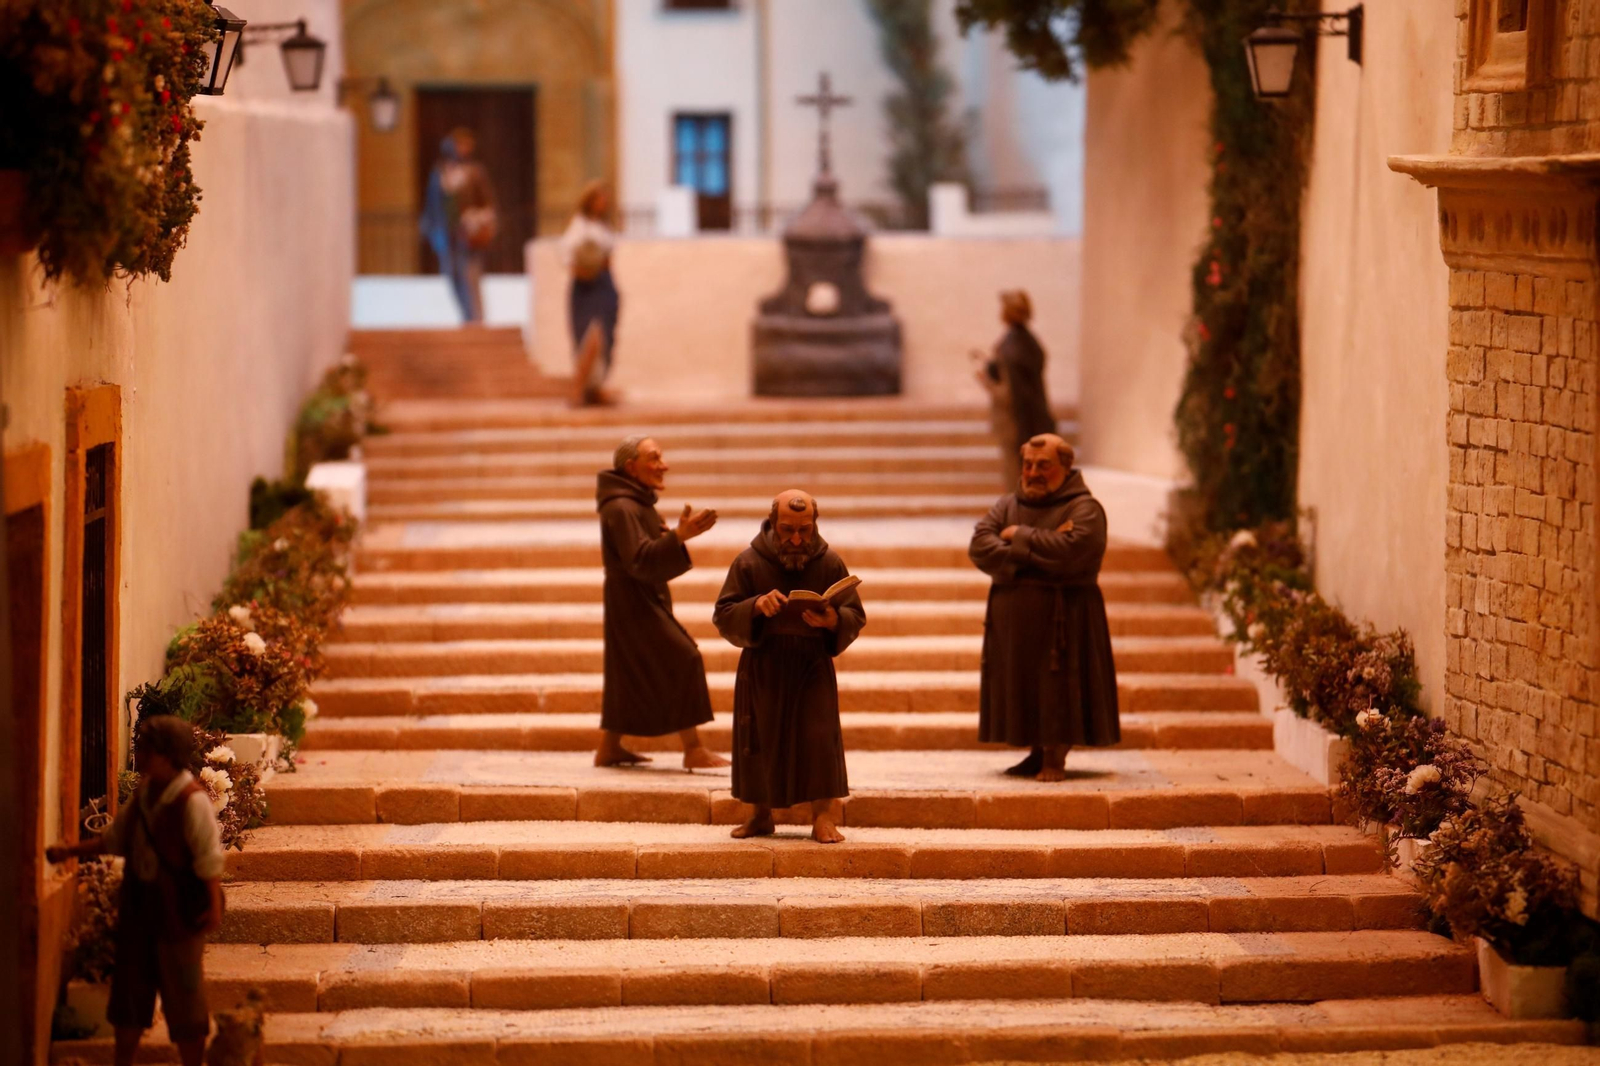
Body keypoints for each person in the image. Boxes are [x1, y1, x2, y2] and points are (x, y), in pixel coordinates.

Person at [46, 715, 225, 1066]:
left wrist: (213, 907)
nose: (138, 754)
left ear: (166, 754)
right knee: (129, 995)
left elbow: (209, 859)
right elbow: (116, 840)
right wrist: (69, 851)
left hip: (178, 915)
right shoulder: (144, 794)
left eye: (145, 748)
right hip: (140, 910)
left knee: (185, 996)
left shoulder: (192, 801)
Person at [713, 490, 865, 844]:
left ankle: (823, 817)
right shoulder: (749, 562)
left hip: (811, 665)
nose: (796, 538)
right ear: (773, 524)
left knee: (818, 737)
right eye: (787, 530)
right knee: (759, 737)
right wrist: (753, 606)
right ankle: (758, 814)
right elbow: (723, 613)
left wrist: (832, 620)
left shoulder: (829, 563)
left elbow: (855, 614)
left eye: (804, 530)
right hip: (763, 664)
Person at [969, 433, 1120, 782]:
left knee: (1058, 686)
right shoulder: (1007, 504)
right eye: (1028, 465)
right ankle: (1035, 751)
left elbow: (1074, 552)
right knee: (1022, 683)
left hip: (1065, 618)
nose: (1033, 472)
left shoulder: (1084, 509)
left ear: (1065, 468)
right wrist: (1040, 548)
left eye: (1044, 465)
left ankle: (1055, 755)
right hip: (1014, 623)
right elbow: (980, 547)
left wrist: (1016, 535)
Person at [595, 435, 728, 770]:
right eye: (654, 458)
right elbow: (638, 558)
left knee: (627, 671)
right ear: (631, 467)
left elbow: (645, 552)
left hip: (637, 594)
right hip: (633, 599)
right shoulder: (623, 507)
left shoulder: (635, 502)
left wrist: (670, 538)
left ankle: (608, 746)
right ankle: (693, 748)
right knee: (684, 657)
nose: (663, 465)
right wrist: (677, 538)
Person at [970, 289, 1057, 489]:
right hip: (1034, 417)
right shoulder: (1030, 342)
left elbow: (1008, 394)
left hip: (1014, 422)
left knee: (1016, 478)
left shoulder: (1011, 348)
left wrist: (986, 381)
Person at [420, 127, 497, 324]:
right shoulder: (439, 174)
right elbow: (432, 202)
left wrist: (478, 217)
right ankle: (465, 315)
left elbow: (487, 203)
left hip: (468, 234)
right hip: (445, 234)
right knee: (452, 275)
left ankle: (476, 319)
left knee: (470, 275)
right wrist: (429, 227)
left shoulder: (475, 172)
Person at [562, 181, 621, 407]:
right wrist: (581, 269)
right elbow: (566, 252)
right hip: (585, 288)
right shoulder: (579, 225)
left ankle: (595, 388)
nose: (602, 203)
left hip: (604, 285)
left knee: (605, 338)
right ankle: (578, 388)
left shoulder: (605, 227)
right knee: (589, 337)